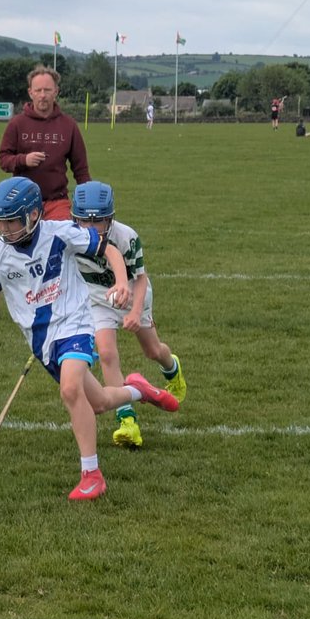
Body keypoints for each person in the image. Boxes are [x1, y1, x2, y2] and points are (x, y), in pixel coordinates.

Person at [0, 178, 180, 501]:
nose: (4, 229)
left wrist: (122, 281)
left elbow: (107, 247)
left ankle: (92, 475)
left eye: (10, 221)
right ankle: (140, 389)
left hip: (76, 323)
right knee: (101, 403)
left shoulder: (59, 232)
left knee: (70, 389)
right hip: (41, 341)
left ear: (34, 216)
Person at [71, 181, 185, 450]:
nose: (90, 228)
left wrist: (135, 312)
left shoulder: (126, 237)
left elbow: (141, 279)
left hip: (133, 294)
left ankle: (172, 369)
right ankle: (127, 421)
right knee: (107, 353)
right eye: (83, 221)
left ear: (109, 218)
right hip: (98, 298)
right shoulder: (71, 236)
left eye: (97, 221)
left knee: (153, 350)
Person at [0, 65, 91, 220]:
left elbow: (81, 170)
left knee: (62, 242)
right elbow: (3, 159)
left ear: (56, 92)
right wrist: (24, 160)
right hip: (22, 202)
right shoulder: (17, 124)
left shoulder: (69, 125)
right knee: (22, 244)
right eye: (38, 90)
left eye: (47, 90)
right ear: (30, 92)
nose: (42, 95)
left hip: (57, 202)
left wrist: (89, 200)